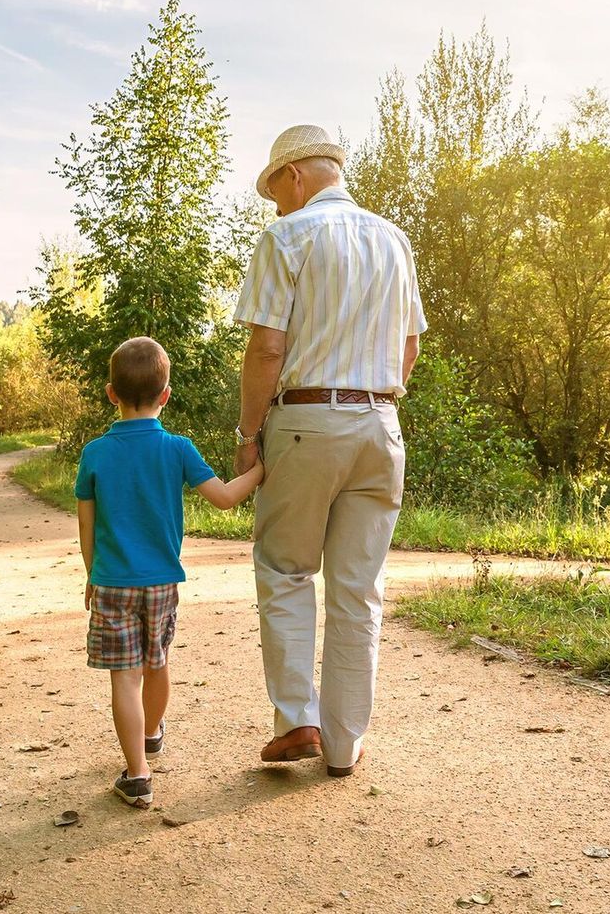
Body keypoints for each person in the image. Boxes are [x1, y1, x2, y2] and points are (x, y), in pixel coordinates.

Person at [233, 124, 427, 777]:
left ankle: (297, 722)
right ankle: (344, 745)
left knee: (287, 569)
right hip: (382, 423)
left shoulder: (287, 236)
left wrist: (246, 435)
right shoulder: (395, 240)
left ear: (294, 178)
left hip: (306, 423)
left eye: (276, 193)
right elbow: (410, 349)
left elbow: (266, 348)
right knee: (357, 588)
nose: (276, 206)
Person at [75, 336, 264, 807]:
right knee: (156, 662)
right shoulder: (177, 448)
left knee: (124, 676)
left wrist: (91, 574)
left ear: (111, 393)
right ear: (166, 395)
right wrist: (262, 471)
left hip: (113, 581)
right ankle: (152, 733)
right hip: (161, 582)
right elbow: (223, 498)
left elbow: (86, 522)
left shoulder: (95, 453)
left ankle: (137, 774)